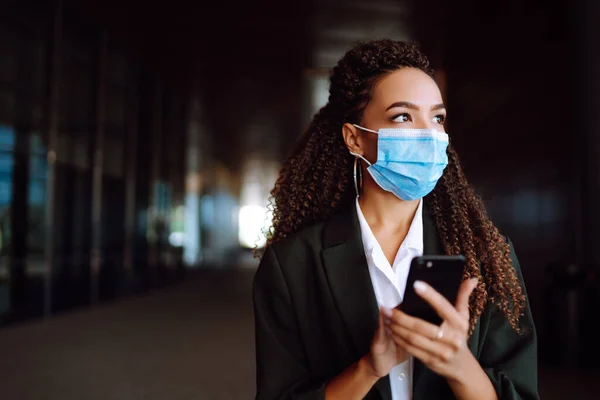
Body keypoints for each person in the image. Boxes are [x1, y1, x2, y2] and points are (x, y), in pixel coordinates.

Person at [252, 39, 538, 400]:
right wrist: (369, 367)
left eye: (437, 117)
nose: (428, 134)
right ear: (355, 139)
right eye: (403, 116)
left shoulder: (488, 255)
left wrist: (458, 363)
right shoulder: (292, 264)